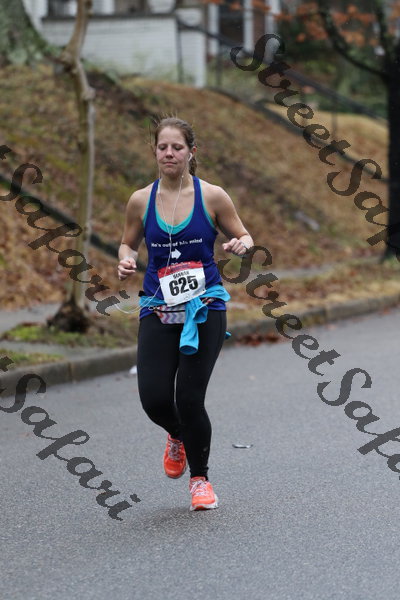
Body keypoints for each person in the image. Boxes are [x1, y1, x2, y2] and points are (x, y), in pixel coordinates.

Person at [118, 117, 253, 511]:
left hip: (204, 307)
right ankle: (177, 434)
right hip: (157, 308)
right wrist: (125, 261)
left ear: (191, 152)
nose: (169, 153)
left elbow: (244, 235)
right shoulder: (140, 200)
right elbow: (127, 244)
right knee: (154, 399)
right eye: (163, 147)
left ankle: (200, 479)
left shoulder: (212, 196)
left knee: (190, 399)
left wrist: (241, 245)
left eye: (177, 147)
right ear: (155, 152)